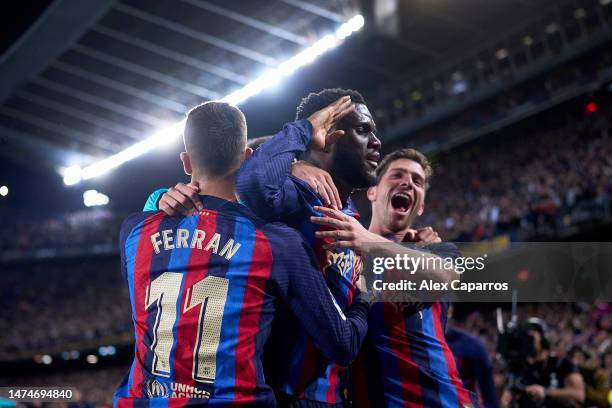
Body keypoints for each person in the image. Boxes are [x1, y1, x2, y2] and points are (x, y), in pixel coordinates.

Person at [114, 100, 370, 406]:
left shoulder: (133, 232)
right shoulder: (278, 244)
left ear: (186, 162)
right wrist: (364, 296)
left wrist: (160, 200)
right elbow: (344, 345)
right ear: (247, 158)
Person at [310, 148, 481, 407]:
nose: (407, 183)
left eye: (417, 181)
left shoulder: (435, 250)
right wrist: (300, 167)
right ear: (372, 191)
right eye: (397, 175)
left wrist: (367, 240)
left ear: (421, 205)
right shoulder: (344, 254)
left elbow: (446, 275)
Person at [503, 318, 585, 408]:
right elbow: (508, 395)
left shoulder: (561, 362)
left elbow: (579, 394)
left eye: (532, 337)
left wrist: (546, 392)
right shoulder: (519, 365)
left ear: (543, 339)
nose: (527, 342)